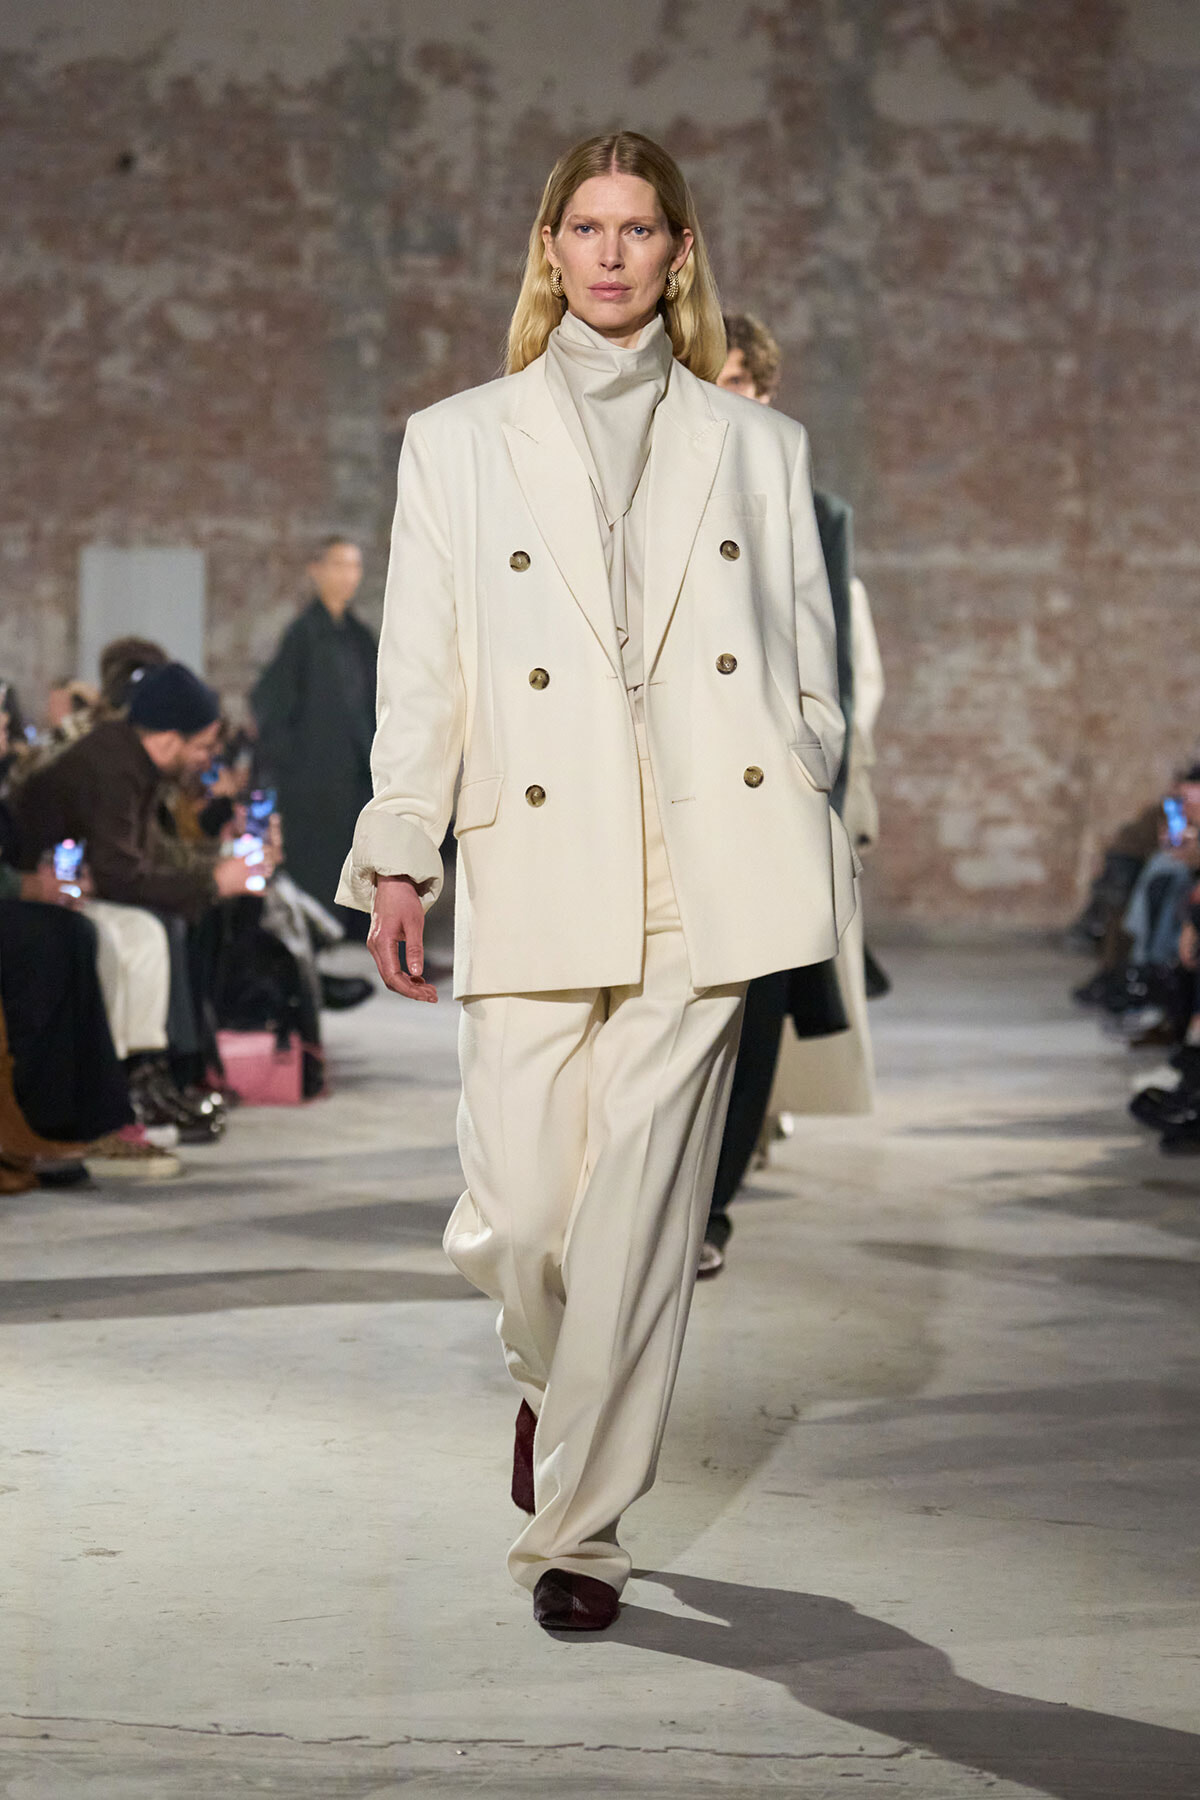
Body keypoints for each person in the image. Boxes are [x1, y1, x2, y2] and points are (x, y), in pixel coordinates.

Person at [338, 132, 856, 1632]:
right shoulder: (459, 438)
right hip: (537, 854)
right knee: (517, 1223)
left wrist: (800, 755)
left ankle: (580, 1533)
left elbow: (806, 657)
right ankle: (557, 1393)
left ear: (681, 253)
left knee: (633, 1220)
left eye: (642, 229)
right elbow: (423, 667)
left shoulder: (763, 446)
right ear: (548, 246)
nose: (614, 252)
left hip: (708, 873)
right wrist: (398, 849)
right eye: (589, 226)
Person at [700, 312, 881, 1277]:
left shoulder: (818, 512)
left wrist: (817, 811)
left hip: (770, 802)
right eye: (712, 379)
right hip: (676, 804)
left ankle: (712, 1211)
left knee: (759, 1011)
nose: (729, 400)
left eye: (745, 383)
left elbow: (832, 676)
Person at [10, 662, 267, 1133]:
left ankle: (146, 1076)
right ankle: (127, 1085)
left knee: (149, 930)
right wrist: (212, 881)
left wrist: (211, 868)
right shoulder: (115, 766)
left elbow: (141, 858)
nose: (209, 759)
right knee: (140, 933)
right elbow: (122, 877)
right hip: (32, 894)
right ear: (170, 738)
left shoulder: (132, 761)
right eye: (205, 746)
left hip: (57, 887)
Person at [251, 537, 378, 939]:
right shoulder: (303, 636)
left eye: (354, 566)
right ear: (316, 569)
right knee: (317, 866)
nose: (347, 576)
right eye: (338, 565)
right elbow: (272, 702)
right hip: (312, 778)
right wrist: (293, 764)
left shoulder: (359, 636)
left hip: (356, 775)